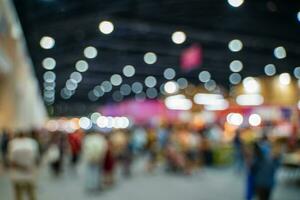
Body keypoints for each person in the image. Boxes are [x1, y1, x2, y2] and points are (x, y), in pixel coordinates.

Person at [8, 131, 39, 200]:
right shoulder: (32, 143)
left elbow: (11, 161)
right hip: (29, 172)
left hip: (17, 174)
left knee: (19, 195)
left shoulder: (13, 143)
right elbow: (36, 159)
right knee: (31, 194)